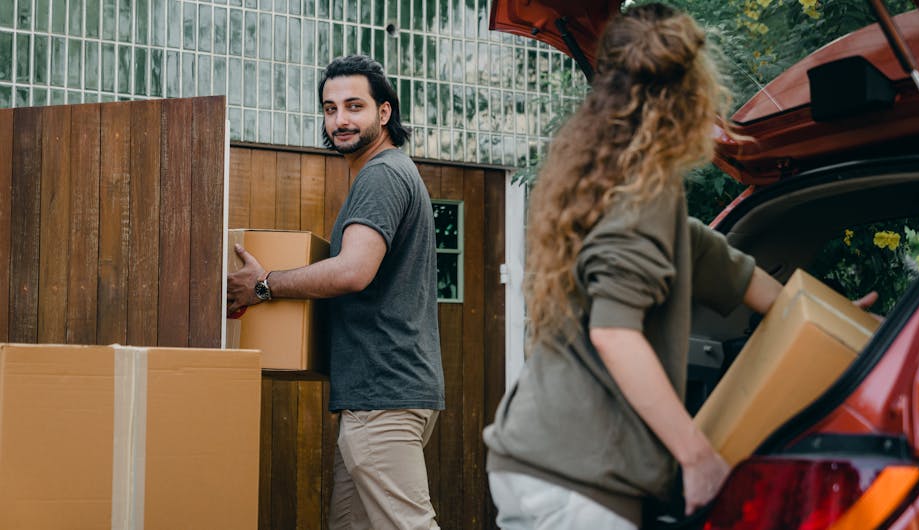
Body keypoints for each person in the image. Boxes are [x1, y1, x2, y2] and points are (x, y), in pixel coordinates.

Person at [482, 5, 783, 529]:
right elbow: (616, 336)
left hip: (535, 459)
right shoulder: (644, 196)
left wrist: (826, 318)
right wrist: (696, 457)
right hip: (578, 482)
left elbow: (723, 265)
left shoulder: (605, 180)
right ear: (690, 92)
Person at [227, 54, 445, 530]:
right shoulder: (389, 173)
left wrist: (265, 286)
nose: (340, 120)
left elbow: (353, 271)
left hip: (382, 394)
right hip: (379, 392)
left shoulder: (383, 174)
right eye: (329, 109)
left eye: (353, 106)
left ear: (384, 113)